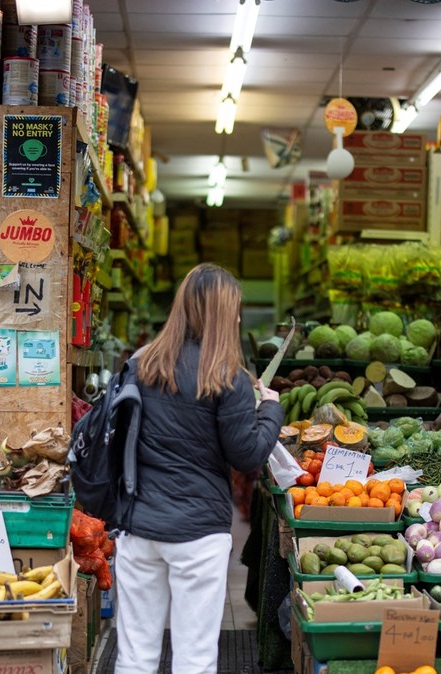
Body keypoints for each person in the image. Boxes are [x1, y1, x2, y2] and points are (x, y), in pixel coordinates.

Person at [113, 263, 283, 674]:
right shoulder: (228, 377)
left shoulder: (140, 365)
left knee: (135, 655)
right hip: (197, 533)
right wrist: (271, 410)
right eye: (236, 310)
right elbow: (247, 457)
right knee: (195, 657)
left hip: (138, 527)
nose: (239, 318)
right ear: (223, 315)